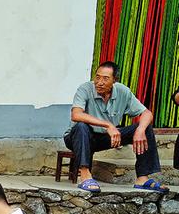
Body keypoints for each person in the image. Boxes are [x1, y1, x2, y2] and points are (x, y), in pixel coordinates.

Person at [65, 60, 168, 192]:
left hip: (105, 138)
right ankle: (85, 176)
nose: (99, 82)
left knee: (145, 127)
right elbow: (76, 115)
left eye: (105, 78)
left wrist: (140, 130)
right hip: (78, 137)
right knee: (81, 126)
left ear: (114, 80)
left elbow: (146, 113)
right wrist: (108, 125)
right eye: (97, 77)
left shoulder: (122, 91)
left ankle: (142, 179)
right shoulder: (85, 89)